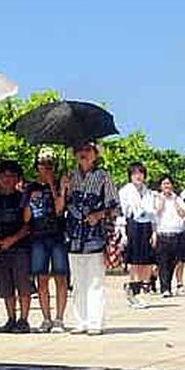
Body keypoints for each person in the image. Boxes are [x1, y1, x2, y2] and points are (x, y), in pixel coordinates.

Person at [62, 141, 118, 335]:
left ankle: (95, 322)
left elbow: (115, 207)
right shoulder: (69, 176)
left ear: (95, 154)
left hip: (95, 235)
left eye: (87, 150)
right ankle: (81, 321)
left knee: (95, 281)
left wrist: (99, 215)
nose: (83, 154)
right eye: (80, 150)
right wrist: (62, 189)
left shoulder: (103, 176)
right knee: (77, 281)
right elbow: (61, 207)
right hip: (73, 235)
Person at [22, 148, 69, 333]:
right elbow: (26, 218)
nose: (46, 168)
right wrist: (30, 202)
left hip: (57, 235)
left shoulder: (59, 184)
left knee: (61, 277)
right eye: (43, 165)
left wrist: (53, 185)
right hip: (38, 236)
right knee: (41, 278)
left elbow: (59, 210)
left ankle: (59, 318)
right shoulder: (30, 187)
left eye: (50, 165)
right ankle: (46, 318)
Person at [0, 160, 32, 333]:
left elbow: (29, 225)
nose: (7, 179)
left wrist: (12, 240)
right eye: (4, 175)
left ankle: (24, 319)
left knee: (23, 285)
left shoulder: (23, 199)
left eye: (12, 176)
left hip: (21, 247)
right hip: (0, 248)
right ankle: (11, 318)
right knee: (6, 287)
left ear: (17, 179)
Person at [119, 162, 157, 308]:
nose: (138, 176)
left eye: (140, 173)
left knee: (147, 261)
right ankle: (133, 291)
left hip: (146, 225)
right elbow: (121, 213)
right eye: (135, 173)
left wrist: (154, 232)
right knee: (134, 261)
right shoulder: (125, 191)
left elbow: (153, 215)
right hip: (132, 225)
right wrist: (123, 233)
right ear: (130, 176)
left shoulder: (149, 192)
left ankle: (143, 289)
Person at [153, 177, 185, 298]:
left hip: (176, 234)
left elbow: (184, 214)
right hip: (162, 233)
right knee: (162, 262)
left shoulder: (177, 198)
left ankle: (167, 285)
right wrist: (162, 201)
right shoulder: (156, 197)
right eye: (164, 184)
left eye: (169, 184)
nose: (167, 186)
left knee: (173, 263)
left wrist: (175, 202)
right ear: (160, 186)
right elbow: (155, 214)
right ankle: (165, 288)